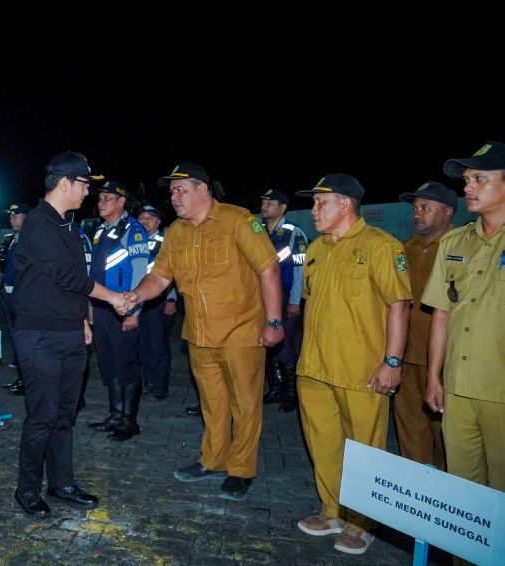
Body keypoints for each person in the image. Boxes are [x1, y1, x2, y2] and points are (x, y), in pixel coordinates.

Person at [123, 163, 283, 501]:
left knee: (245, 403)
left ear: (202, 191)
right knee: (211, 402)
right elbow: (161, 277)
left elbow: (268, 269)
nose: (174, 197)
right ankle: (212, 459)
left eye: (181, 190)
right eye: (171, 192)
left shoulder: (239, 220)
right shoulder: (177, 233)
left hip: (242, 331)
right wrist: (137, 295)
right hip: (198, 333)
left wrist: (273, 322)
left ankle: (242, 469)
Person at [293, 173, 411, 556]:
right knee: (322, 444)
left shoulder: (381, 245)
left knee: (364, 450)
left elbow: (398, 305)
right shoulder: (316, 249)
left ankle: (362, 523)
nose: (313, 210)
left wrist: (392, 361)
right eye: (313, 203)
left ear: (344, 204)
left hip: (361, 370)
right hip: (314, 368)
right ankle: (332, 512)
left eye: (319, 202)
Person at [12, 151, 127, 518]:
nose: (87, 193)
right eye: (83, 185)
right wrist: (112, 298)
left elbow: (67, 285)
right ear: (64, 183)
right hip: (41, 337)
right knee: (42, 416)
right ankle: (27, 489)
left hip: (70, 335)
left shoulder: (67, 224)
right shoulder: (38, 223)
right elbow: (68, 276)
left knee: (65, 415)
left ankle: (61, 483)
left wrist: (82, 319)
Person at [423, 141, 505, 496]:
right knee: (464, 498)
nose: (467, 186)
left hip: (500, 393)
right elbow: (441, 312)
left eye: (479, 178)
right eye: (467, 179)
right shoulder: (454, 243)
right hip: (457, 390)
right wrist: (433, 377)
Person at [394, 181, 456, 469]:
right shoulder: (405, 249)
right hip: (406, 357)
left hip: (444, 362)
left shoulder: (459, 249)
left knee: (446, 434)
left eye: (425, 208)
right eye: (416, 208)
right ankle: (416, 493)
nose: (417, 214)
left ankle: (452, 497)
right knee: (409, 429)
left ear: (447, 212)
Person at [86, 181, 149, 441]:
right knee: (109, 363)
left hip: (123, 309)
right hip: (101, 309)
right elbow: (93, 273)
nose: (101, 202)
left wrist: (134, 312)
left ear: (121, 202)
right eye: (100, 198)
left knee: (127, 364)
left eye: (107, 198)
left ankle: (129, 421)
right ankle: (115, 415)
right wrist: (90, 305)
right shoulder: (101, 231)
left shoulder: (133, 230)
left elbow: (139, 272)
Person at [259, 190, 308, 412]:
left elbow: (300, 269)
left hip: (286, 293)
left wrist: (295, 300)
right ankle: (275, 389)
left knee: (286, 344)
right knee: (267, 343)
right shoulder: (258, 232)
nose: (265, 205)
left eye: (270, 202)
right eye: (263, 201)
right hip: (262, 296)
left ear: (283, 207)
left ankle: (291, 395)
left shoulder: (293, 233)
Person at [136, 204, 177, 400]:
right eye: (142, 218)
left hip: (159, 301)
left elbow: (176, 274)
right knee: (142, 343)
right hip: (139, 301)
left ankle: (160, 386)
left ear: (159, 222)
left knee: (158, 344)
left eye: (149, 218)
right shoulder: (136, 241)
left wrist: (172, 298)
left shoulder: (166, 241)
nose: (144, 222)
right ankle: (148, 382)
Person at [0, 202, 30, 395]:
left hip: (22, 296)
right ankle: (21, 379)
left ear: (26, 217)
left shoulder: (29, 239)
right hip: (11, 293)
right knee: (15, 337)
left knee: (22, 339)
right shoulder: (15, 238)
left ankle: (27, 382)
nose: (11, 218)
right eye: (10, 215)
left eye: (15, 215)